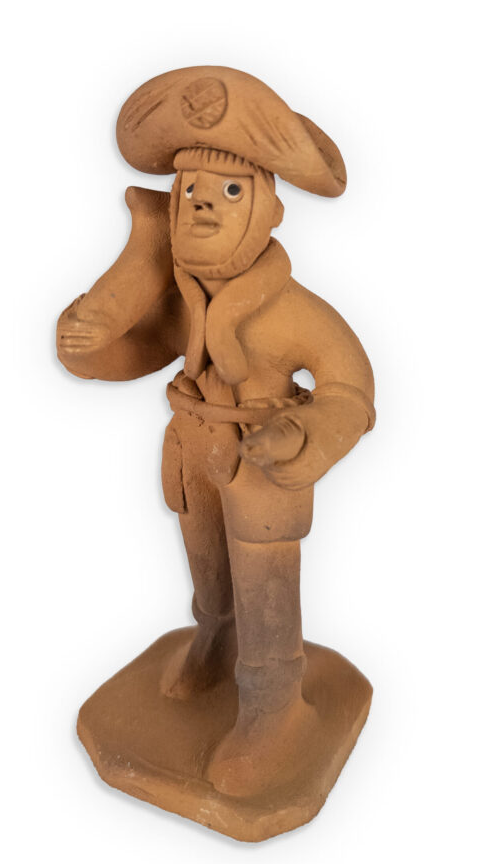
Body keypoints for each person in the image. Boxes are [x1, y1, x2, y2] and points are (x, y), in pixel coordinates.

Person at [57, 67, 375, 797]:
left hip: (262, 464)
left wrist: (308, 434)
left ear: (269, 210)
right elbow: (143, 349)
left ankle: (273, 698)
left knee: (265, 580)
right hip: (193, 448)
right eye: (191, 191)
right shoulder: (179, 292)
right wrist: (88, 347)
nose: (203, 205)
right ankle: (215, 634)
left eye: (231, 191)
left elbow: (350, 389)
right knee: (206, 565)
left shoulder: (291, 309)